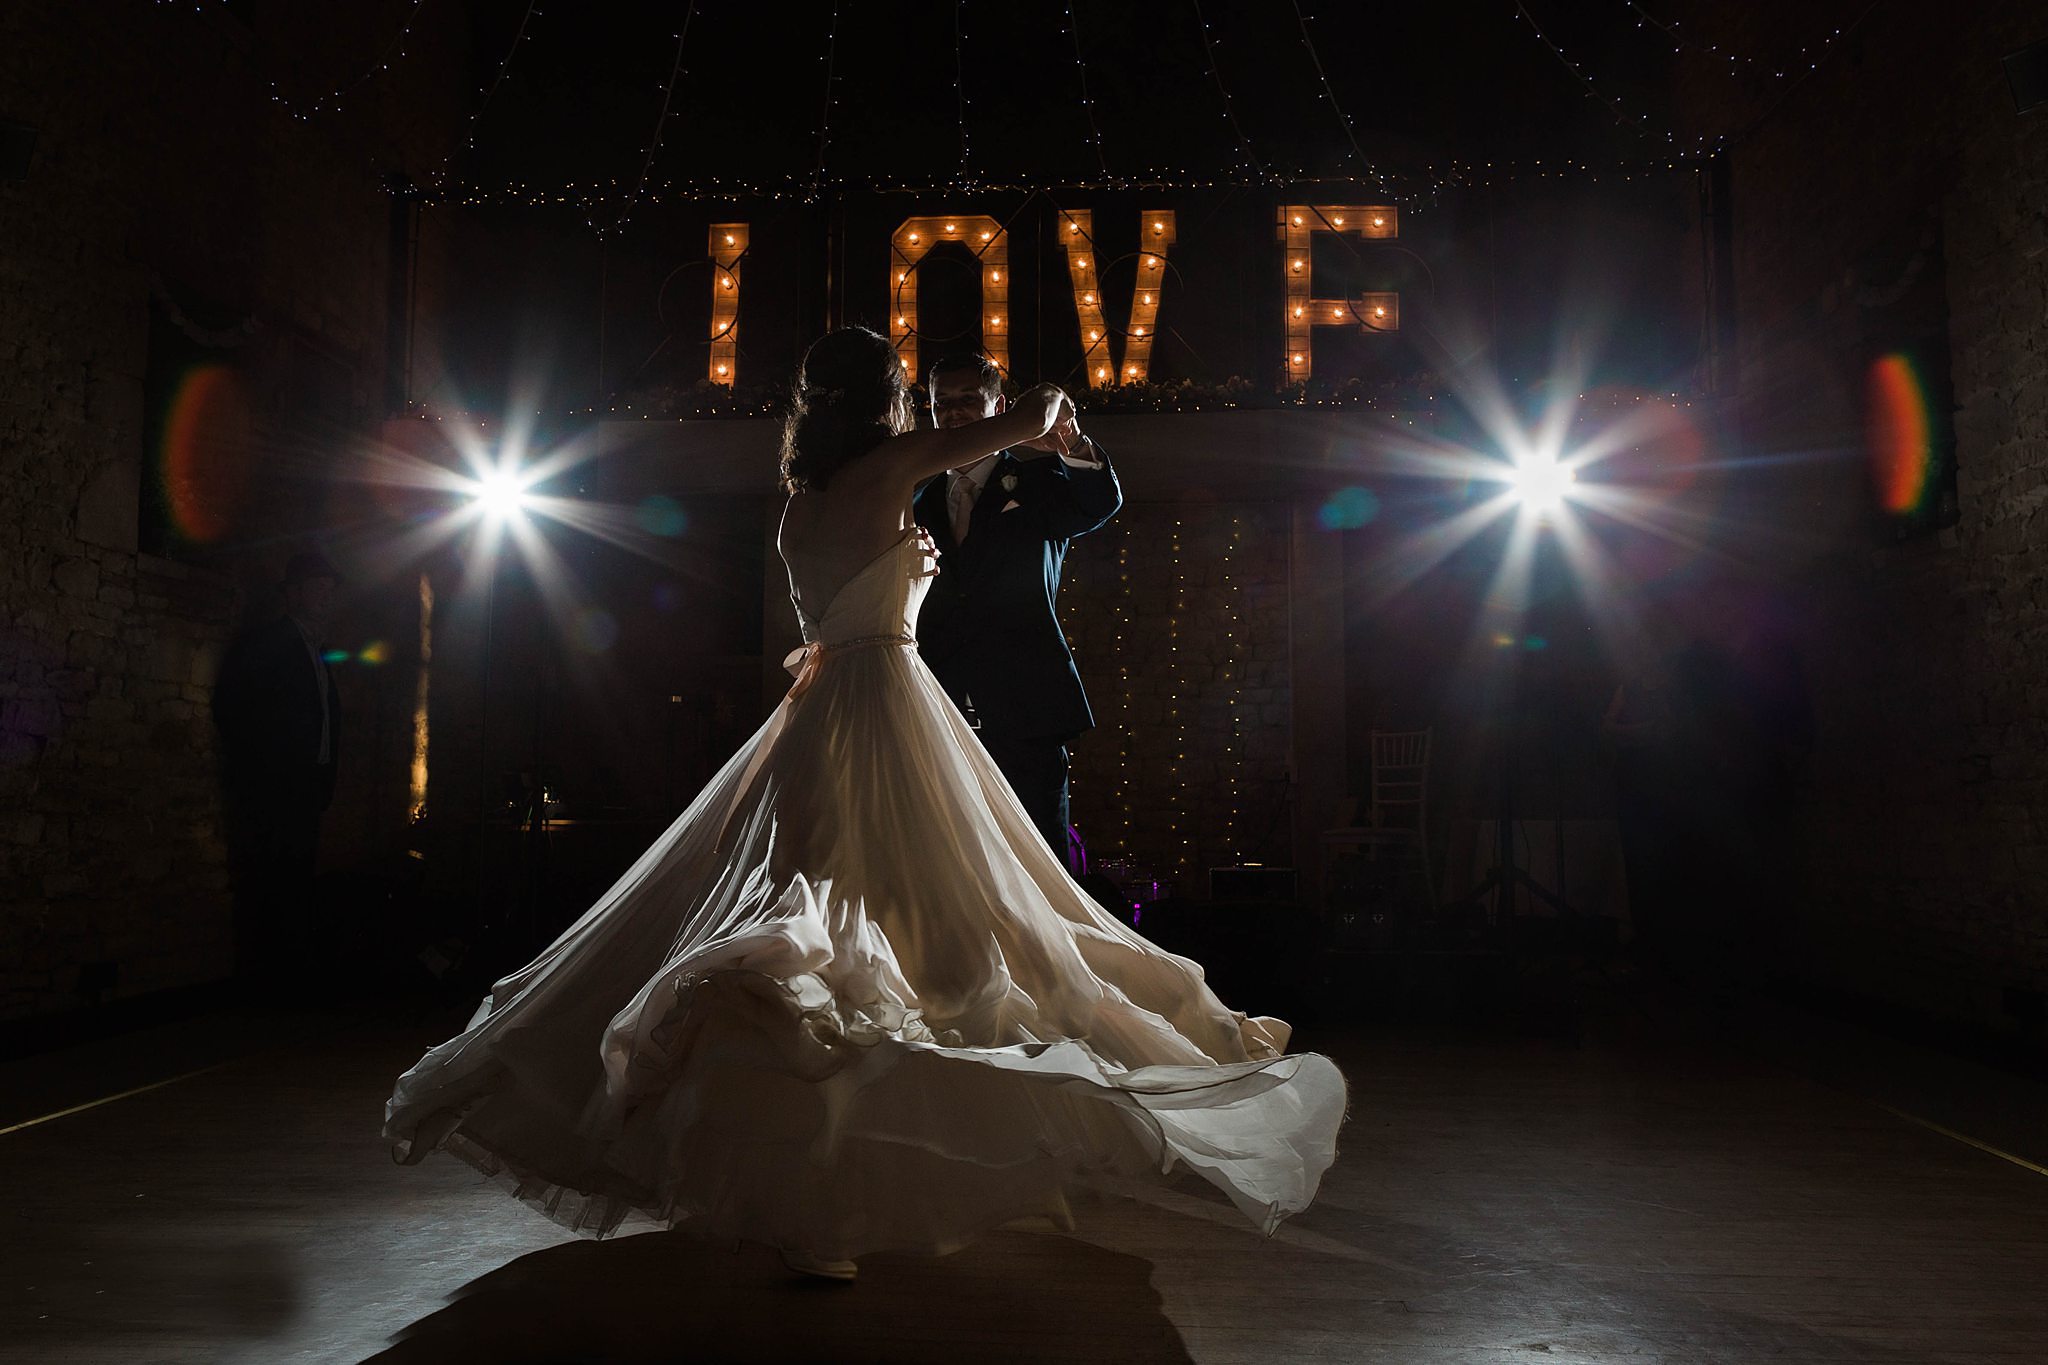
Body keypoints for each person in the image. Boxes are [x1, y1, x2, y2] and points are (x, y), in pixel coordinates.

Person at [384, 328, 1345, 1281]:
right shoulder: (899, 468)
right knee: (946, 925)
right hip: (886, 707)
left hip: (814, 722)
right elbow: (1025, 416)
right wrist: (1053, 412)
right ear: (887, 396)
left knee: (838, 918)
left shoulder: (797, 504)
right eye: (905, 389)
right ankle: (852, 1187)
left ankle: (817, 1203)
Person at [913, 353, 1122, 866]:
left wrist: (1068, 440)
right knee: (948, 857)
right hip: (939, 706)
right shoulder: (915, 498)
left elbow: (1100, 502)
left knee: (1040, 857)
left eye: (968, 400)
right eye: (943, 404)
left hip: (1027, 705)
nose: (954, 413)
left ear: (999, 406)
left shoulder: (1041, 481)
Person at [211, 550, 343, 992]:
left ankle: (286, 978)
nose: (327, 596)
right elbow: (235, 710)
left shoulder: (314, 651)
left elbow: (322, 718)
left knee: (293, 881)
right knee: (270, 880)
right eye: (318, 588)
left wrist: (319, 776)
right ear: (293, 594)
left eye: (330, 589)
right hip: (276, 788)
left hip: (303, 787)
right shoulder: (270, 646)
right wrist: (269, 772)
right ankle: (268, 982)